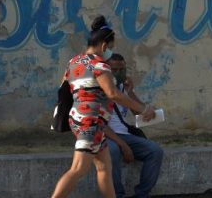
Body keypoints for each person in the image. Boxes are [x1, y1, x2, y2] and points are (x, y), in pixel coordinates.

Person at [52, 17, 155, 198]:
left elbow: (64, 89)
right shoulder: (100, 66)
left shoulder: (74, 62)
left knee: (104, 168)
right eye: (111, 47)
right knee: (77, 169)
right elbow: (114, 94)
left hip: (81, 119)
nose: (111, 51)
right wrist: (143, 109)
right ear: (104, 46)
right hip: (91, 123)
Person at [104, 53, 164, 198]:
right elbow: (100, 125)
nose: (118, 73)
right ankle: (117, 195)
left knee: (155, 151)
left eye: (121, 70)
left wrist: (130, 92)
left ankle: (142, 194)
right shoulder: (102, 90)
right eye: (114, 70)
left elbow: (141, 114)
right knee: (113, 152)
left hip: (124, 134)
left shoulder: (123, 87)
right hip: (106, 135)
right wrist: (123, 146)